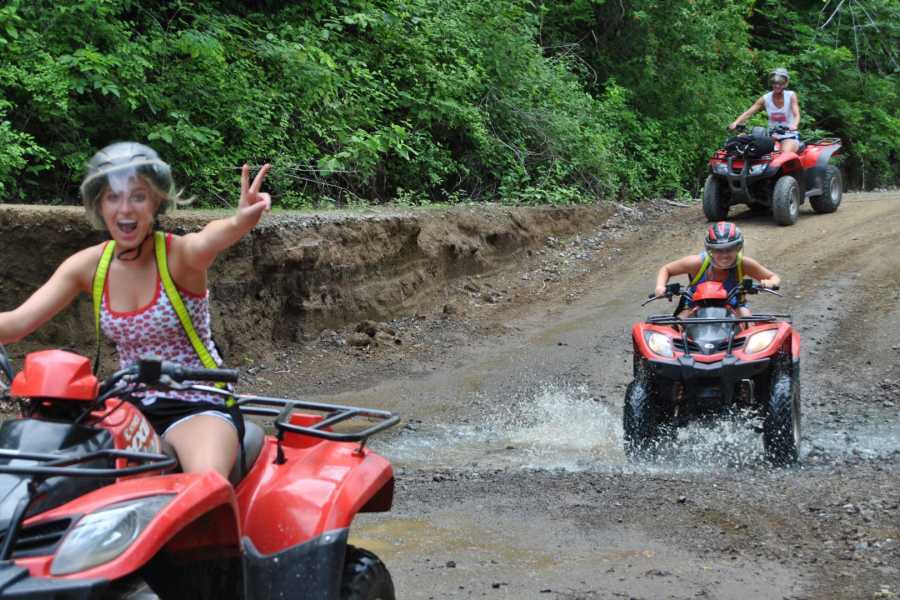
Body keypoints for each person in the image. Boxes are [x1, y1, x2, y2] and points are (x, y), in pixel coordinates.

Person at [0, 142, 271, 480]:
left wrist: (238, 222)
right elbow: (17, 323)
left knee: (204, 487)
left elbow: (208, 239)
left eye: (138, 196)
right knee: (76, 481)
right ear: (100, 203)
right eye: (113, 197)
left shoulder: (179, 255)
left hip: (199, 402)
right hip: (127, 406)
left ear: (156, 202)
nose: (125, 209)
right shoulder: (89, 265)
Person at [654, 221, 780, 318]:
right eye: (718, 250)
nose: (724, 255)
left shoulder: (744, 264)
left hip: (733, 305)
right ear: (710, 250)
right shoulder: (696, 263)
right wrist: (660, 287)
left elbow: (774, 277)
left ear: (738, 247)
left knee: (747, 324)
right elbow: (666, 269)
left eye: (729, 249)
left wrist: (769, 283)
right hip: (694, 306)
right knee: (676, 330)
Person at [729, 67, 801, 154]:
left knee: (784, 154)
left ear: (785, 84)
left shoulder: (791, 96)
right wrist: (736, 123)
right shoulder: (766, 98)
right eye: (775, 83)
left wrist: (794, 125)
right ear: (771, 83)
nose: (777, 85)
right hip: (772, 136)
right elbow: (749, 112)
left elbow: (796, 114)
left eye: (780, 83)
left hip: (789, 136)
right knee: (754, 150)